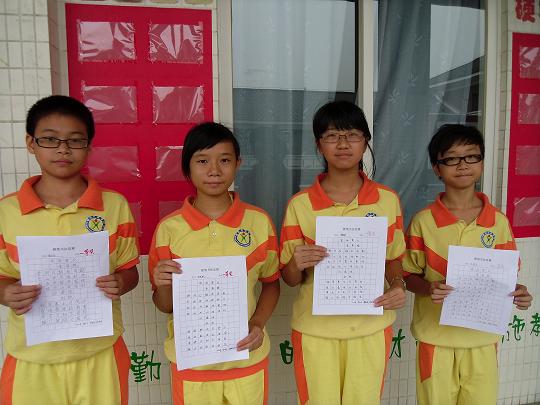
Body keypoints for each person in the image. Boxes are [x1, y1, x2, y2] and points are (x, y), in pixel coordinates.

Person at [0, 95, 140, 405]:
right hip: (32, 358)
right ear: (31, 143)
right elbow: (2, 277)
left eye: (75, 141)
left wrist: (121, 282)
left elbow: (129, 270)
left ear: (89, 147)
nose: (63, 149)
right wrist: (6, 293)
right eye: (50, 139)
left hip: (100, 353)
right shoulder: (6, 212)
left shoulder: (114, 206)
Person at [280, 100, 407, 405]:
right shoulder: (300, 204)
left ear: (365, 142)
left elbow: (393, 259)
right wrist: (296, 263)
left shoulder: (387, 200)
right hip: (315, 330)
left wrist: (398, 285)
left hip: (370, 328)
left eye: (352, 135)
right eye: (332, 136)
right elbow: (289, 278)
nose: (342, 144)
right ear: (318, 144)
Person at [149, 122, 280, 405]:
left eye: (224, 160)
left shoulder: (258, 222)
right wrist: (162, 284)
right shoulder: (169, 230)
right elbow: (164, 305)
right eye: (202, 161)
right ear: (187, 168)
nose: (214, 170)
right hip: (192, 366)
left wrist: (257, 324)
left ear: (238, 164)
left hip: (246, 362)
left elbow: (271, 284)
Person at [403, 124, 533, 405]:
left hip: (482, 340)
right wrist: (428, 288)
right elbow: (407, 275)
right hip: (436, 340)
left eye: (471, 156)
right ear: (437, 168)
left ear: (482, 163)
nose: (462, 165)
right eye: (451, 158)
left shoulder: (498, 222)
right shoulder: (423, 221)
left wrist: (519, 292)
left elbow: (506, 276)